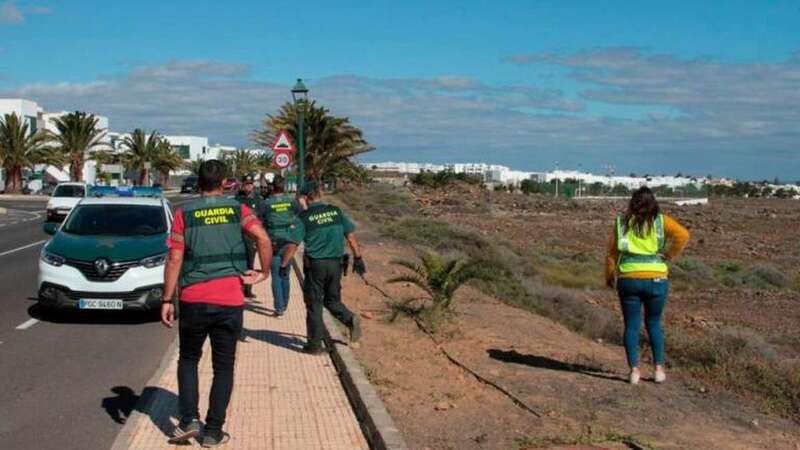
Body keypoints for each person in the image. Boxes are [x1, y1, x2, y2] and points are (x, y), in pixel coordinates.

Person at [161, 160, 272, 446]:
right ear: (225, 183)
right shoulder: (239, 210)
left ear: (198, 183)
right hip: (231, 299)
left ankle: (187, 420)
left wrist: (166, 299)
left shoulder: (183, 213)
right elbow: (263, 238)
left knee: (188, 359)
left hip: (193, 300)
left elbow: (174, 259)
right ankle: (212, 431)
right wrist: (263, 272)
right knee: (223, 367)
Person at [605, 186, 689, 385]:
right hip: (657, 279)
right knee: (654, 323)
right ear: (654, 203)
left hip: (629, 278)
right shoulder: (661, 221)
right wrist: (668, 255)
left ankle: (634, 371)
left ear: (632, 203)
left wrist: (609, 275)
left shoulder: (622, 223)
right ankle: (659, 370)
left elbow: (612, 253)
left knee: (632, 326)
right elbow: (683, 235)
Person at [282, 181, 365, 354]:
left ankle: (314, 345)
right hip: (336, 265)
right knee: (332, 300)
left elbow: (292, 245)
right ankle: (350, 319)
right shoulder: (336, 212)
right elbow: (350, 235)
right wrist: (358, 258)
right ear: (319, 194)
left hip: (316, 266)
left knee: (314, 304)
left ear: (305, 198)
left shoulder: (303, 218)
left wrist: (284, 265)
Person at [261, 175, 302, 317]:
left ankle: (279, 308)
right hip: (288, 243)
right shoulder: (292, 202)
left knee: (276, 276)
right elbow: (300, 215)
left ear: (273, 186)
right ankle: (284, 303)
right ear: (284, 186)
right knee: (285, 274)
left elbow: (261, 221)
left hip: (273, 243)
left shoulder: (266, 203)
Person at [234, 174, 266, 299]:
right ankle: (240, 289)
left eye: (251, 184)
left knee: (250, 263)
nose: (249, 186)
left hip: (251, 237)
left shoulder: (258, 199)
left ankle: (248, 290)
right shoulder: (238, 200)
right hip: (239, 236)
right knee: (239, 263)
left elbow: (262, 218)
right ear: (243, 185)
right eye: (246, 184)